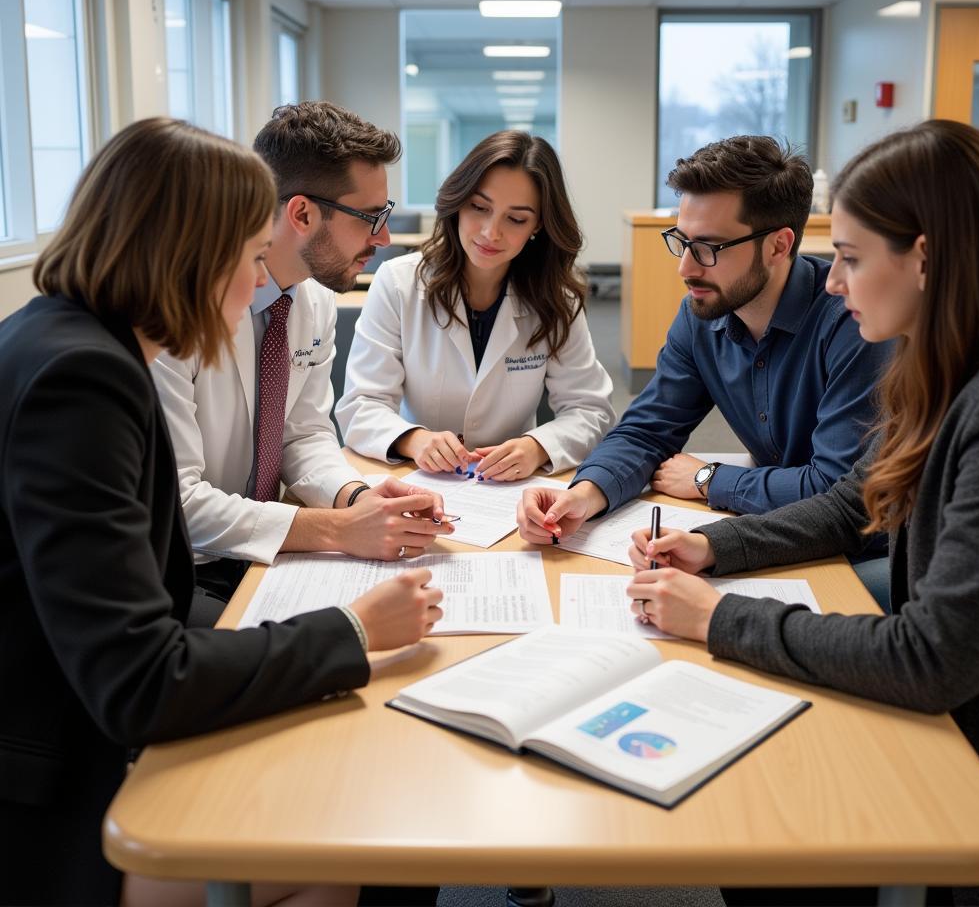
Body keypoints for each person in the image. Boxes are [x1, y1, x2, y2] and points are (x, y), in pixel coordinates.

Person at [0, 118, 443, 907]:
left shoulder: (70, 339)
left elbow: (304, 435)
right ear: (191, 258)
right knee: (350, 838)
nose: (254, 287)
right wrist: (354, 629)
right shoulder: (84, 382)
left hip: (79, 692)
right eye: (247, 259)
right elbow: (143, 678)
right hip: (44, 768)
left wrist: (350, 504)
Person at [623, 120, 979, 906]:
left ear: (925, 257)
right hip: (961, 725)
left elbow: (932, 657)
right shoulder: (943, 368)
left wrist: (717, 619)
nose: (834, 284)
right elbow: (854, 503)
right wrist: (716, 550)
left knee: (794, 827)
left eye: (849, 258)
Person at [516, 135, 892, 593]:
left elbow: (837, 495)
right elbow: (646, 430)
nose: (686, 269)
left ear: (778, 246)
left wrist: (708, 479)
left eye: (710, 248)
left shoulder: (854, 323)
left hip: (860, 551)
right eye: (682, 241)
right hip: (771, 537)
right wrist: (582, 496)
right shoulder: (701, 316)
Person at [153, 102, 454, 610]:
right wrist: (338, 528)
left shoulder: (311, 296)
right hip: (184, 567)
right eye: (371, 219)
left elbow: (303, 433)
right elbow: (176, 503)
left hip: (271, 551)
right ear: (302, 213)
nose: (383, 239)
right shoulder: (175, 312)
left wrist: (356, 498)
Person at [336, 130, 615, 480]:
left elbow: (591, 409)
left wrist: (538, 447)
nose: (490, 232)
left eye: (515, 218)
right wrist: (414, 440)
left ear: (538, 226)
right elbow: (361, 404)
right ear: (458, 202)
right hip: (416, 479)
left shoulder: (557, 300)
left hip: (513, 490)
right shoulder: (398, 283)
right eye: (479, 208)